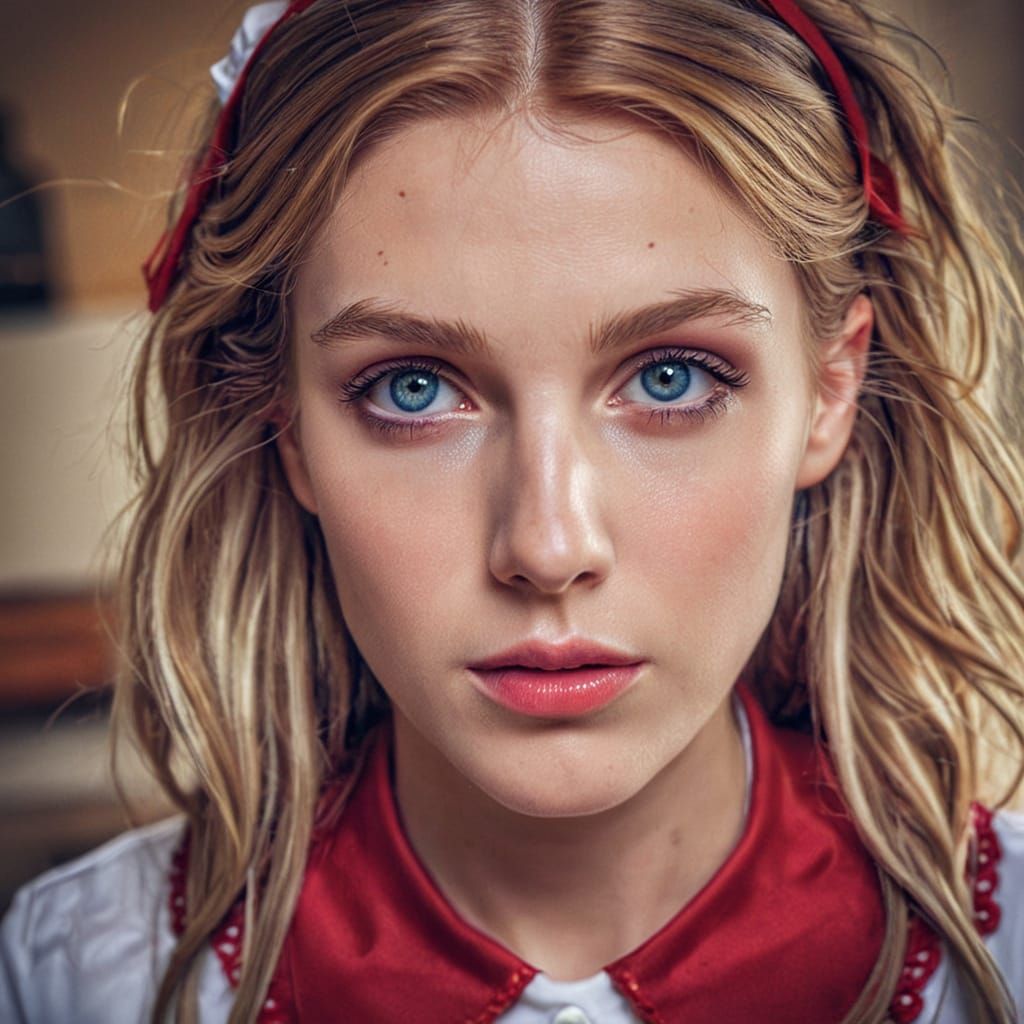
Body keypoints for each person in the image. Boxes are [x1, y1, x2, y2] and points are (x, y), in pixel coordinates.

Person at [2, 0, 1023, 1021]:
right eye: (412, 388)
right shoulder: (85, 976)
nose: (547, 545)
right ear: (286, 431)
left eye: (670, 377)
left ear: (829, 392)